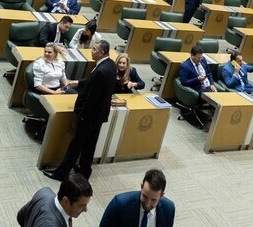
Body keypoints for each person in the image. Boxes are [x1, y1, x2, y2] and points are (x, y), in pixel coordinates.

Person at [44, 41, 117, 181]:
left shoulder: (101, 70)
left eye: (94, 49)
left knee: (75, 146)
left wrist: (82, 116)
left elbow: (91, 97)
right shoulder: (110, 64)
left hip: (89, 116)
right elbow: (93, 82)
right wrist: (77, 82)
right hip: (100, 115)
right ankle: (84, 170)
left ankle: (61, 173)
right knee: (90, 145)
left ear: (102, 53)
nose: (91, 50)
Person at [99, 169, 176, 227]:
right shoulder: (119, 204)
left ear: (161, 195)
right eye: (145, 196)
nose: (148, 204)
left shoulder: (168, 209)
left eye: (153, 200)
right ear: (141, 187)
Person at [17, 173, 92, 227]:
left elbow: (21, 216)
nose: (85, 210)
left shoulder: (45, 192)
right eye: (81, 205)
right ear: (66, 201)